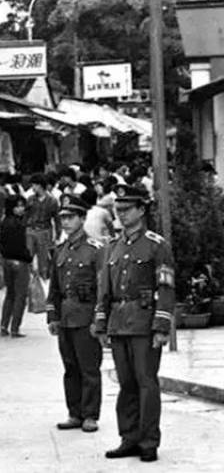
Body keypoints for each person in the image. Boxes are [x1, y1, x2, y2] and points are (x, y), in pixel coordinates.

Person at [93, 184, 175, 463]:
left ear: (142, 210)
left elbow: (165, 287)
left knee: (146, 383)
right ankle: (129, 437)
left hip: (143, 323)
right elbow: (105, 288)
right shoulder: (112, 247)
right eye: (118, 210)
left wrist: (161, 326)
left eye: (127, 209)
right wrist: (101, 323)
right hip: (118, 323)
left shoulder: (156, 245)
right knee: (126, 383)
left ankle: (149, 441)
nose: (122, 215)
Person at [46, 195, 104, 433]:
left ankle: (90, 415)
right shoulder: (60, 250)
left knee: (89, 368)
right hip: (67, 317)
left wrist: (99, 319)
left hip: (86, 316)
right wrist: (52, 315)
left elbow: (103, 287)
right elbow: (55, 287)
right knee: (70, 367)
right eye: (63, 218)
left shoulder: (95, 250)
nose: (66, 222)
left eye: (71, 217)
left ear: (82, 218)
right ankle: (74, 412)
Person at [0, 195, 32, 337]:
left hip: (7, 261)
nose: (21, 209)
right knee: (20, 296)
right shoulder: (18, 225)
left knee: (10, 295)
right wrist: (29, 258)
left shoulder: (4, 222)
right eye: (17, 206)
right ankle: (15, 328)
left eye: (22, 206)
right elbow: (21, 247)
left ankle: (4, 325)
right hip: (20, 262)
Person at [26, 173, 60, 280]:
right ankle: (30, 278)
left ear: (40, 185)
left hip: (45, 230)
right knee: (28, 256)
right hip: (31, 230)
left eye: (34, 185)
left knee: (44, 259)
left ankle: (44, 280)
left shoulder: (52, 201)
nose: (32, 188)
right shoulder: (30, 199)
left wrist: (57, 234)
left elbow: (57, 219)